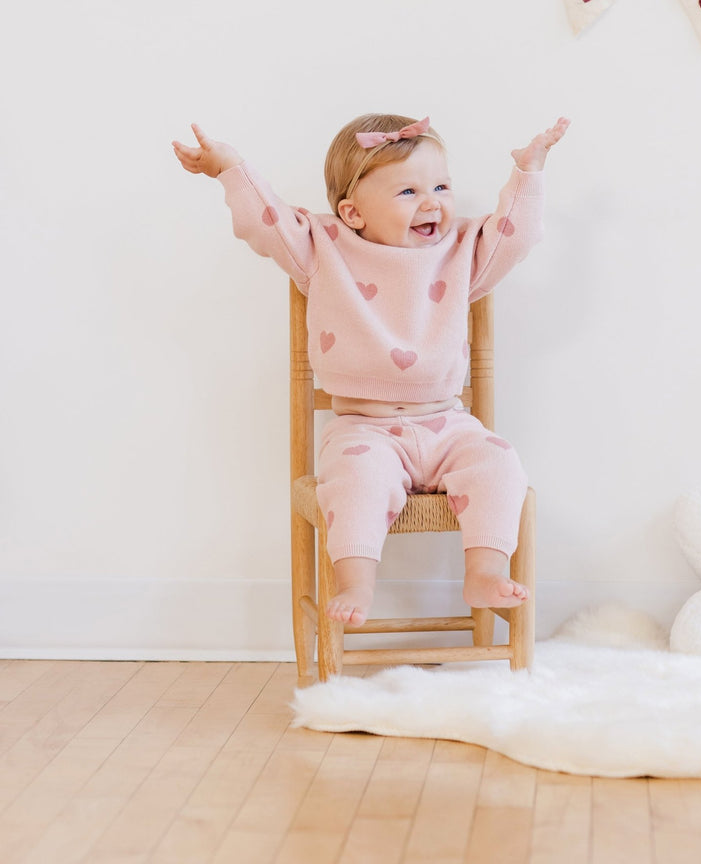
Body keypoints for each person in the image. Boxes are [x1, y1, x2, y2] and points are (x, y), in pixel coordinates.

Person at [172, 112, 569, 627]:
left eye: (441, 186)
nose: (432, 202)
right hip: (363, 429)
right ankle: (356, 582)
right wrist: (229, 166)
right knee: (355, 480)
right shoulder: (323, 248)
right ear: (352, 213)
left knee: (499, 463)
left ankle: (484, 571)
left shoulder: (460, 251)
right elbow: (264, 221)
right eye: (408, 192)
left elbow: (515, 236)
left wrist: (528, 172)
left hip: (448, 425)